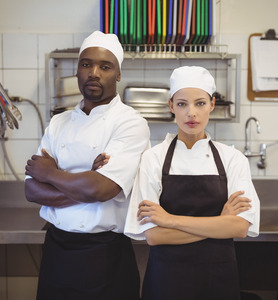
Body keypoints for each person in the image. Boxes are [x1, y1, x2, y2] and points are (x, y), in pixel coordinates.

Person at [25, 31, 150, 300]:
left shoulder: (130, 123)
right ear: (77, 70)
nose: (93, 72)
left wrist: (51, 173)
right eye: (86, 64)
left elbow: (100, 190)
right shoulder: (59, 123)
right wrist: (88, 179)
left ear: (117, 75)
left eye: (105, 67)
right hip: (57, 250)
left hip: (105, 255)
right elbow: (32, 191)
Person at [124, 66, 260, 300]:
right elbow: (154, 236)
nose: (191, 113)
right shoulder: (153, 158)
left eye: (199, 103)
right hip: (167, 282)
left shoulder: (232, 159)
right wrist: (219, 223)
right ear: (171, 106)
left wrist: (170, 220)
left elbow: (239, 227)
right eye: (181, 104)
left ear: (212, 105)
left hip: (218, 281)